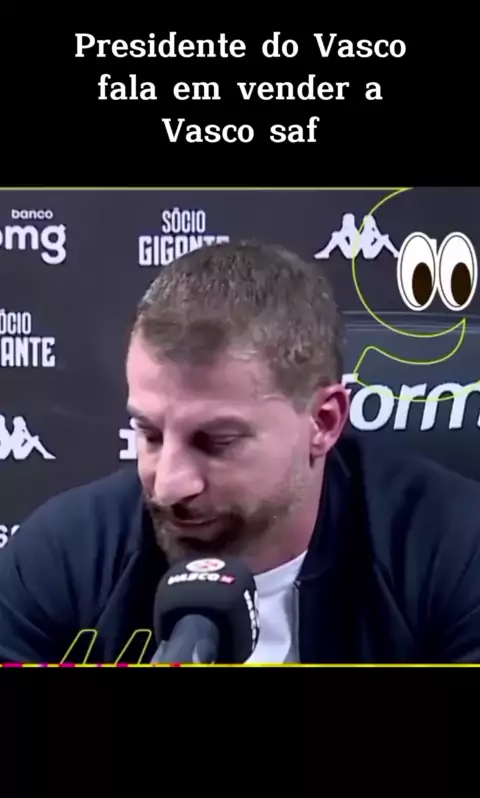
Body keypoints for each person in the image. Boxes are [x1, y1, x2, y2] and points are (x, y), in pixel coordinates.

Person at [1, 240, 480, 664]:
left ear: (323, 422)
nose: (168, 485)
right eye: (150, 434)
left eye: (215, 442)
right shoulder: (62, 557)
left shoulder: (454, 552)